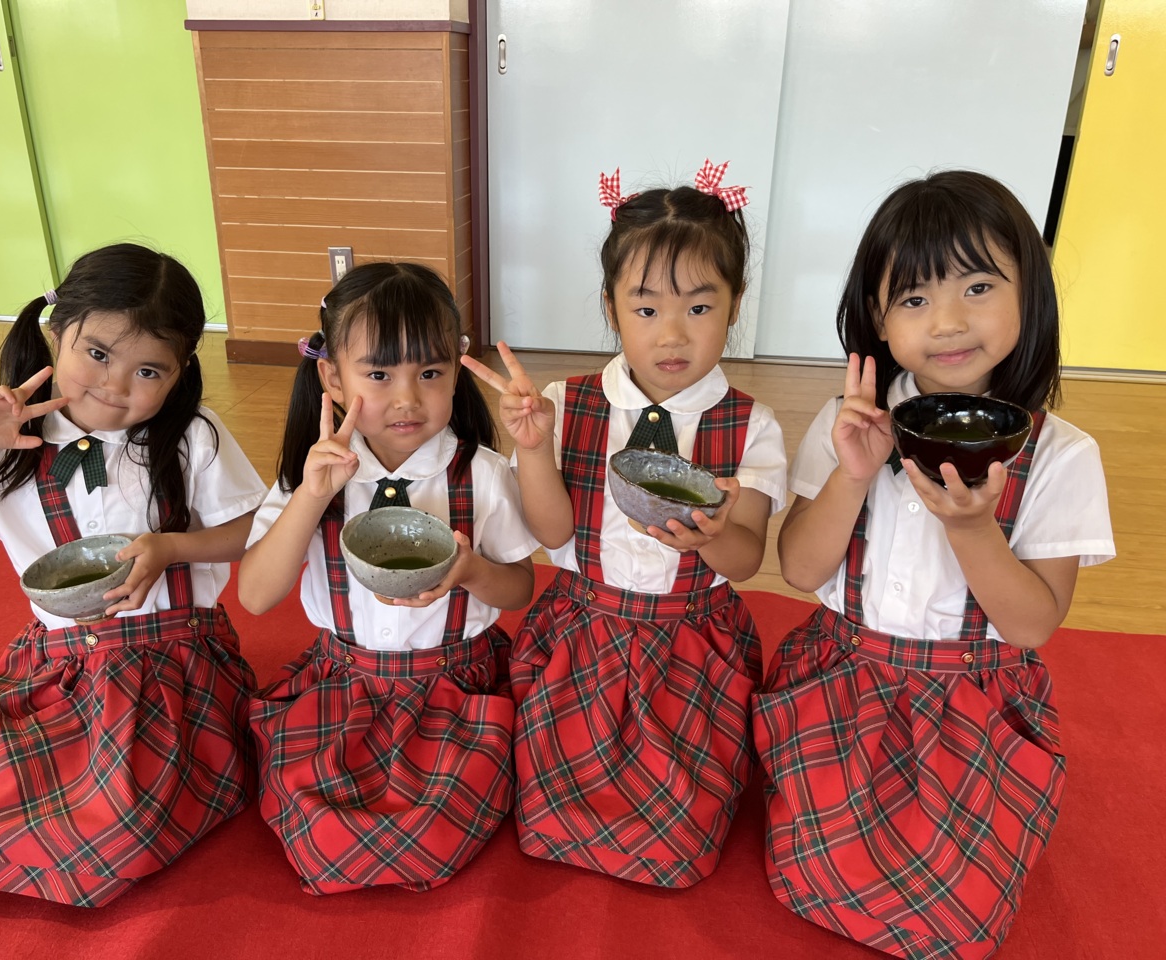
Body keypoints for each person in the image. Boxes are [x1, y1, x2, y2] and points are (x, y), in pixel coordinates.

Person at [754, 170, 1115, 958]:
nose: (948, 322)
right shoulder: (849, 421)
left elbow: (1032, 624)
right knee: (811, 873)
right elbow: (800, 571)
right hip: (843, 688)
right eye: (914, 298)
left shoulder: (1061, 455)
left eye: (978, 287)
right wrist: (852, 475)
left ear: (1030, 293)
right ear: (878, 318)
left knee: (955, 917)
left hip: (971, 708)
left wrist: (974, 529)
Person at [0, 243, 267, 906]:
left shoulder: (191, 435)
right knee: (7, 814)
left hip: (179, 664)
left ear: (180, 372)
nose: (116, 385)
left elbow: (253, 533)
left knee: (122, 828)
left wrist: (174, 547)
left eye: (148, 370)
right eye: (96, 353)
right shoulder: (5, 443)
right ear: (56, 331)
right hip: (62, 671)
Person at [462, 160, 788, 887]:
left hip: (691, 643)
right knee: (551, 816)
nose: (672, 335)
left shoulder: (751, 425)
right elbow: (553, 534)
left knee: (680, 835)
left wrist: (716, 535)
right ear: (611, 308)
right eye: (645, 310)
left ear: (734, 305)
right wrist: (533, 447)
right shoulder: (567, 402)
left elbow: (744, 561)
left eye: (699, 308)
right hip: (581, 635)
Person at [240, 261, 537, 895]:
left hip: (454, 689)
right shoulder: (311, 477)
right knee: (318, 826)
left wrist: (471, 571)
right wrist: (310, 497)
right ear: (332, 377)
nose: (407, 399)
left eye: (430, 373)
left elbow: (519, 590)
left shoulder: (483, 474)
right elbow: (257, 596)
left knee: (432, 831)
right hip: (342, 685)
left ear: (456, 372)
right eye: (378, 375)